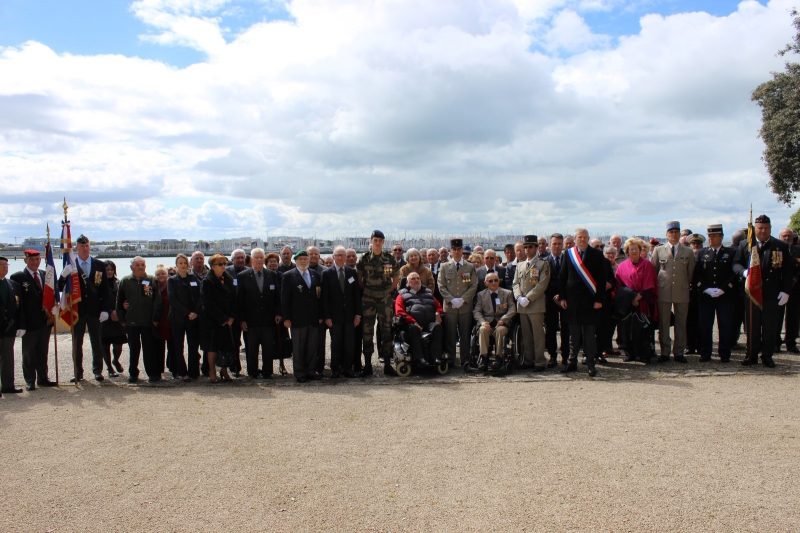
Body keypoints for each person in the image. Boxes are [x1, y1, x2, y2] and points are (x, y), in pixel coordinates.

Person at [733, 215, 793, 367]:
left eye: (766, 228)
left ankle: (767, 356)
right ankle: (750, 355)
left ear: (770, 228)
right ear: (755, 229)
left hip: (772, 293)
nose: (763, 231)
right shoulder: (745, 244)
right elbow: (736, 264)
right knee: (752, 327)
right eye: (760, 228)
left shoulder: (780, 246)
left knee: (769, 327)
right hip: (751, 293)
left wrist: (786, 291)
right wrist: (744, 273)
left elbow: (787, 271)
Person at [58, 234, 109, 382]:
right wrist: (63, 275)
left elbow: (104, 289)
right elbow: (59, 288)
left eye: (87, 246)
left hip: (95, 310)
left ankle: (97, 371)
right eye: (82, 246)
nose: (85, 249)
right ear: (76, 248)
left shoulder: (99, 264)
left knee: (97, 342)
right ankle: (78, 372)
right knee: (76, 343)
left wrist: (105, 309)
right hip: (77, 310)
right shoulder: (71, 265)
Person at [559, 228, 606, 377]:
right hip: (572, 302)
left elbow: (601, 279)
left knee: (590, 335)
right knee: (574, 336)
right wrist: (562, 298)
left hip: (590, 302)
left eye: (585, 237)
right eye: (580, 237)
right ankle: (572, 362)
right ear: (575, 238)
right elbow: (562, 276)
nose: (582, 239)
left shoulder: (597, 255)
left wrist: (599, 299)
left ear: (588, 238)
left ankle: (591, 364)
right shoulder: (568, 253)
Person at [650, 221, 696, 363]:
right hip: (664, 291)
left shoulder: (688, 251)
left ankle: (679, 352)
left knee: (681, 322)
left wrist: (684, 284)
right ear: (666, 234)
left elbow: (691, 273)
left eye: (676, 232)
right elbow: (654, 270)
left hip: (681, 291)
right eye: (671, 232)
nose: (674, 234)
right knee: (664, 323)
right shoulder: (658, 250)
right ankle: (664, 352)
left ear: (680, 233)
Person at [11, 250, 56, 389]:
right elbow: (17, 303)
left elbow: (55, 290)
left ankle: (43, 378)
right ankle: (30, 380)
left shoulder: (45, 274)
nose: (35, 262)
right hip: (29, 322)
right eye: (32, 260)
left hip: (45, 321)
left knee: (43, 351)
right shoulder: (18, 277)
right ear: (25, 260)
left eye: (37, 259)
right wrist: (20, 324)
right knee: (29, 353)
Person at [357, 231, 400, 377]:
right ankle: (368, 365)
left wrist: (388, 291)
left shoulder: (389, 258)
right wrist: (368, 291)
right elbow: (359, 278)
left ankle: (387, 365)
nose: (377, 243)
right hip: (368, 299)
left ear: (383, 242)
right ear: (371, 241)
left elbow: (396, 278)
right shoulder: (363, 258)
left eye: (380, 240)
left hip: (384, 299)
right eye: (375, 240)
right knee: (367, 331)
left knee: (386, 330)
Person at [693, 224, 737, 363]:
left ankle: (724, 353)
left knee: (725, 325)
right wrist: (705, 288)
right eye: (709, 235)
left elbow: (733, 274)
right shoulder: (701, 253)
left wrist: (724, 288)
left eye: (714, 235)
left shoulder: (731, 253)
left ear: (721, 237)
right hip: (706, 296)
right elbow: (696, 275)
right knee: (705, 326)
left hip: (725, 295)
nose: (710, 238)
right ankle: (705, 353)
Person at [237, 248, 282, 379]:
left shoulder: (272, 275)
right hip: (251, 320)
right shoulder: (243, 276)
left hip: (268, 319)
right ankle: (252, 372)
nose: (259, 260)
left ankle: (267, 371)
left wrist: (278, 313)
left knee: (268, 347)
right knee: (252, 348)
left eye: (261, 258)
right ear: (251, 259)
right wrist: (242, 319)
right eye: (256, 258)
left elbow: (277, 297)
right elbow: (240, 300)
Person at [117, 257, 162, 383]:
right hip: (131, 321)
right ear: (132, 267)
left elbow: (157, 301)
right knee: (134, 349)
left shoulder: (151, 280)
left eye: (143, 264)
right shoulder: (125, 281)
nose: (141, 267)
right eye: (138, 264)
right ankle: (133, 373)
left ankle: (152, 374)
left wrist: (155, 319)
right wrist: (121, 318)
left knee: (149, 349)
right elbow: (119, 301)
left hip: (148, 321)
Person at [281, 250, 323, 383]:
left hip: (313, 317)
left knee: (312, 346)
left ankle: (310, 370)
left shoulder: (315, 275)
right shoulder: (288, 276)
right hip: (297, 318)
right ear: (296, 261)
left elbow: (319, 297)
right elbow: (285, 299)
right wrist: (286, 318)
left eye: (305, 259)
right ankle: (299, 372)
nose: (303, 261)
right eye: (300, 259)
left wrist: (321, 315)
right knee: (298, 347)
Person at [614, 238, 658, 364]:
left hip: (643, 302)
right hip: (628, 303)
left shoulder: (647, 265)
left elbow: (650, 284)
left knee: (643, 330)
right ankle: (630, 353)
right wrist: (630, 298)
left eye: (636, 249)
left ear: (640, 250)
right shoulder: (622, 266)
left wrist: (637, 297)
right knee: (627, 330)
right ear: (627, 251)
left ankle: (644, 353)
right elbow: (619, 285)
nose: (633, 251)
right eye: (630, 249)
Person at [322, 246, 361, 378]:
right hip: (334, 316)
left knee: (349, 343)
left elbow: (356, 295)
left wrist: (358, 314)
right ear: (333, 257)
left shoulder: (351, 272)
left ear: (345, 257)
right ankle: (335, 369)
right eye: (337, 255)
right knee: (336, 343)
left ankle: (348, 368)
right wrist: (327, 316)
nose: (340, 257)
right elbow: (325, 298)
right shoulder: (327, 274)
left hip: (350, 315)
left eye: (342, 255)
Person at [438, 238, 479, 366]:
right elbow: (441, 285)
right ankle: (450, 359)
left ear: (462, 250)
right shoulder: (444, 266)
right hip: (450, 307)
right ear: (450, 251)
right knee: (450, 334)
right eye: (454, 249)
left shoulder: (470, 266)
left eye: (459, 249)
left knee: (465, 334)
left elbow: (474, 285)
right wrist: (452, 300)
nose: (456, 251)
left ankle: (465, 359)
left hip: (465, 306)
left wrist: (463, 299)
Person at [513, 235, 550, 371]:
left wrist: (528, 298)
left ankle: (540, 361)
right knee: (526, 335)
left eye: (530, 247)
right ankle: (528, 359)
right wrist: (518, 297)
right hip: (522, 306)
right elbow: (515, 283)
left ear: (536, 248)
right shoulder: (520, 265)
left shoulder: (542, 264)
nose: (527, 249)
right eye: (525, 247)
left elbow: (542, 284)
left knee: (538, 334)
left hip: (535, 305)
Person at [395, 272, 444, 367]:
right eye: (413, 279)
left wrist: (438, 314)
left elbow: (439, 307)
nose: (416, 280)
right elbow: (399, 312)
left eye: (418, 278)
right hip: (412, 323)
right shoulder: (401, 295)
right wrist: (413, 321)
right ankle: (419, 358)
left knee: (437, 327)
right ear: (407, 282)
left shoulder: (428, 292)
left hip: (429, 322)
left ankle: (436, 357)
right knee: (413, 329)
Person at [202, 254, 237, 383]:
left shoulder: (228, 279)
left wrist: (232, 316)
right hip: (212, 320)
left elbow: (234, 299)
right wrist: (221, 318)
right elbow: (208, 303)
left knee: (226, 346)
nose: (223, 266)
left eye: (224, 264)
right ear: (212, 266)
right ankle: (212, 371)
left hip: (228, 319)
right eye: (220, 264)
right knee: (212, 347)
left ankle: (224, 370)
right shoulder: (207, 281)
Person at [472, 271, 516, 370]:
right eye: (490, 281)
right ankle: (484, 357)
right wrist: (483, 322)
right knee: (482, 329)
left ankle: (498, 358)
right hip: (487, 322)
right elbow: (477, 311)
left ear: (499, 281)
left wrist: (503, 320)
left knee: (500, 330)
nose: (493, 282)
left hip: (501, 323)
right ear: (485, 283)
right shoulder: (480, 295)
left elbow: (512, 309)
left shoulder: (507, 293)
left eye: (496, 280)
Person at [167, 254, 200, 381]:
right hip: (178, 318)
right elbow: (172, 299)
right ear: (176, 265)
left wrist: (195, 312)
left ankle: (193, 371)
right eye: (180, 263)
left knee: (193, 346)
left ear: (188, 264)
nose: (183, 265)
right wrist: (187, 313)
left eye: (185, 263)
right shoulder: (172, 280)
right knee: (178, 346)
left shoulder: (193, 278)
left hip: (193, 318)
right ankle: (182, 372)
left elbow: (199, 296)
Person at [0, 256, 25, 395]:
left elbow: (19, 308)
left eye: (6, 264)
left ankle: (8, 385)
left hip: (9, 327)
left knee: (8, 357)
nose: (5, 267)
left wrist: (21, 325)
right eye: (1, 264)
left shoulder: (13, 285)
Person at [545, 234, 570, 367]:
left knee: (566, 329)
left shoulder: (569, 259)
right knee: (551, 329)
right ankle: (552, 356)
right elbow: (543, 283)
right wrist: (553, 296)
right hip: (550, 300)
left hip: (565, 299)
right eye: (554, 244)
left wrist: (562, 295)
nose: (557, 246)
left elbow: (570, 279)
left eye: (559, 244)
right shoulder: (544, 261)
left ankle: (566, 356)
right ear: (550, 245)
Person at [265, 252, 290, 376]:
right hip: (267, 314)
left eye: (275, 261)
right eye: (270, 262)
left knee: (282, 341)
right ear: (266, 264)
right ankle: (268, 367)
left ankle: (282, 364)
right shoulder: (264, 276)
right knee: (268, 342)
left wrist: (281, 313)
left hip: (280, 313)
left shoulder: (283, 275)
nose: (273, 264)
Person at [101, 261, 127, 376]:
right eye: (107, 270)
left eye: (111, 269)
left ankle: (115, 360)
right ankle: (109, 369)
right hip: (104, 318)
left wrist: (119, 310)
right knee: (105, 345)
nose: (109, 272)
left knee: (118, 344)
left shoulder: (119, 282)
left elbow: (123, 298)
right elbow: (98, 300)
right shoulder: (99, 283)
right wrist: (110, 311)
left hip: (118, 318)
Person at [776, 227, 800, 353]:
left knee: (793, 317)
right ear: (780, 237)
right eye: (784, 236)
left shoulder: (798, 250)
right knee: (777, 316)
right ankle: (776, 342)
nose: (787, 238)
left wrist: (796, 278)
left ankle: (791, 342)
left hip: (795, 289)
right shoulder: (776, 250)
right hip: (779, 288)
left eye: (789, 236)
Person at [225, 249, 248, 377]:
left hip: (247, 313)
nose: (240, 260)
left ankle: (252, 368)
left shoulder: (249, 271)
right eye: (237, 258)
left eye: (242, 257)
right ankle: (235, 367)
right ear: (232, 259)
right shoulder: (227, 272)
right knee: (234, 343)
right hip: (232, 313)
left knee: (249, 343)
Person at [152, 264, 175, 376]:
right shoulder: (152, 287)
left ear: (167, 275)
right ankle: (159, 370)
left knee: (173, 347)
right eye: (158, 274)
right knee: (158, 348)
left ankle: (174, 369)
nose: (160, 276)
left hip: (170, 320)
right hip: (158, 321)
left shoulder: (172, 286)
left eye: (163, 274)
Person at [345, 248, 363, 373]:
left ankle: (357, 363)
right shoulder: (343, 272)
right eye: (348, 256)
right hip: (345, 312)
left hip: (360, 310)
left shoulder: (361, 271)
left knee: (358, 338)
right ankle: (345, 363)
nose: (351, 258)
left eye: (353, 256)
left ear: (356, 258)